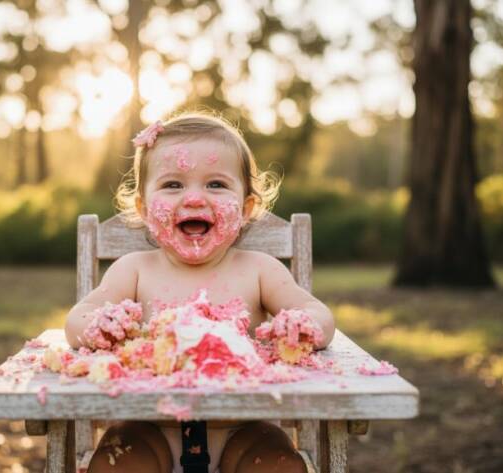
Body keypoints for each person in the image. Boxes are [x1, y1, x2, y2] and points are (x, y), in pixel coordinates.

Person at [64, 111, 335, 473]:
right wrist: (99, 326)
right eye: (173, 185)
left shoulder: (259, 270)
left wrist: (303, 325)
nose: (193, 198)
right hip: (148, 427)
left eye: (216, 185)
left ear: (246, 207)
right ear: (144, 209)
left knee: (280, 465)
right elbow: (76, 321)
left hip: (245, 426)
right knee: (115, 465)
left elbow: (320, 316)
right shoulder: (134, 270)